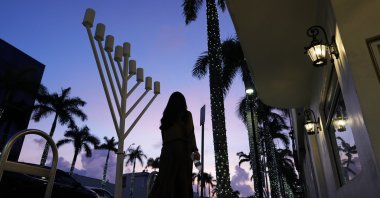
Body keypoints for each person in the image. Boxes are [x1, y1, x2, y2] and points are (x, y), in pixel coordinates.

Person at [148, 91, 200, 198]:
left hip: (166, 153)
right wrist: (196, 158)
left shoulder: (165, 119)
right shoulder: (186, 115)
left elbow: (164, 139)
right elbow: (190, 135)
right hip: (181, 152)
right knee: (182, 184)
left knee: (165, 183)